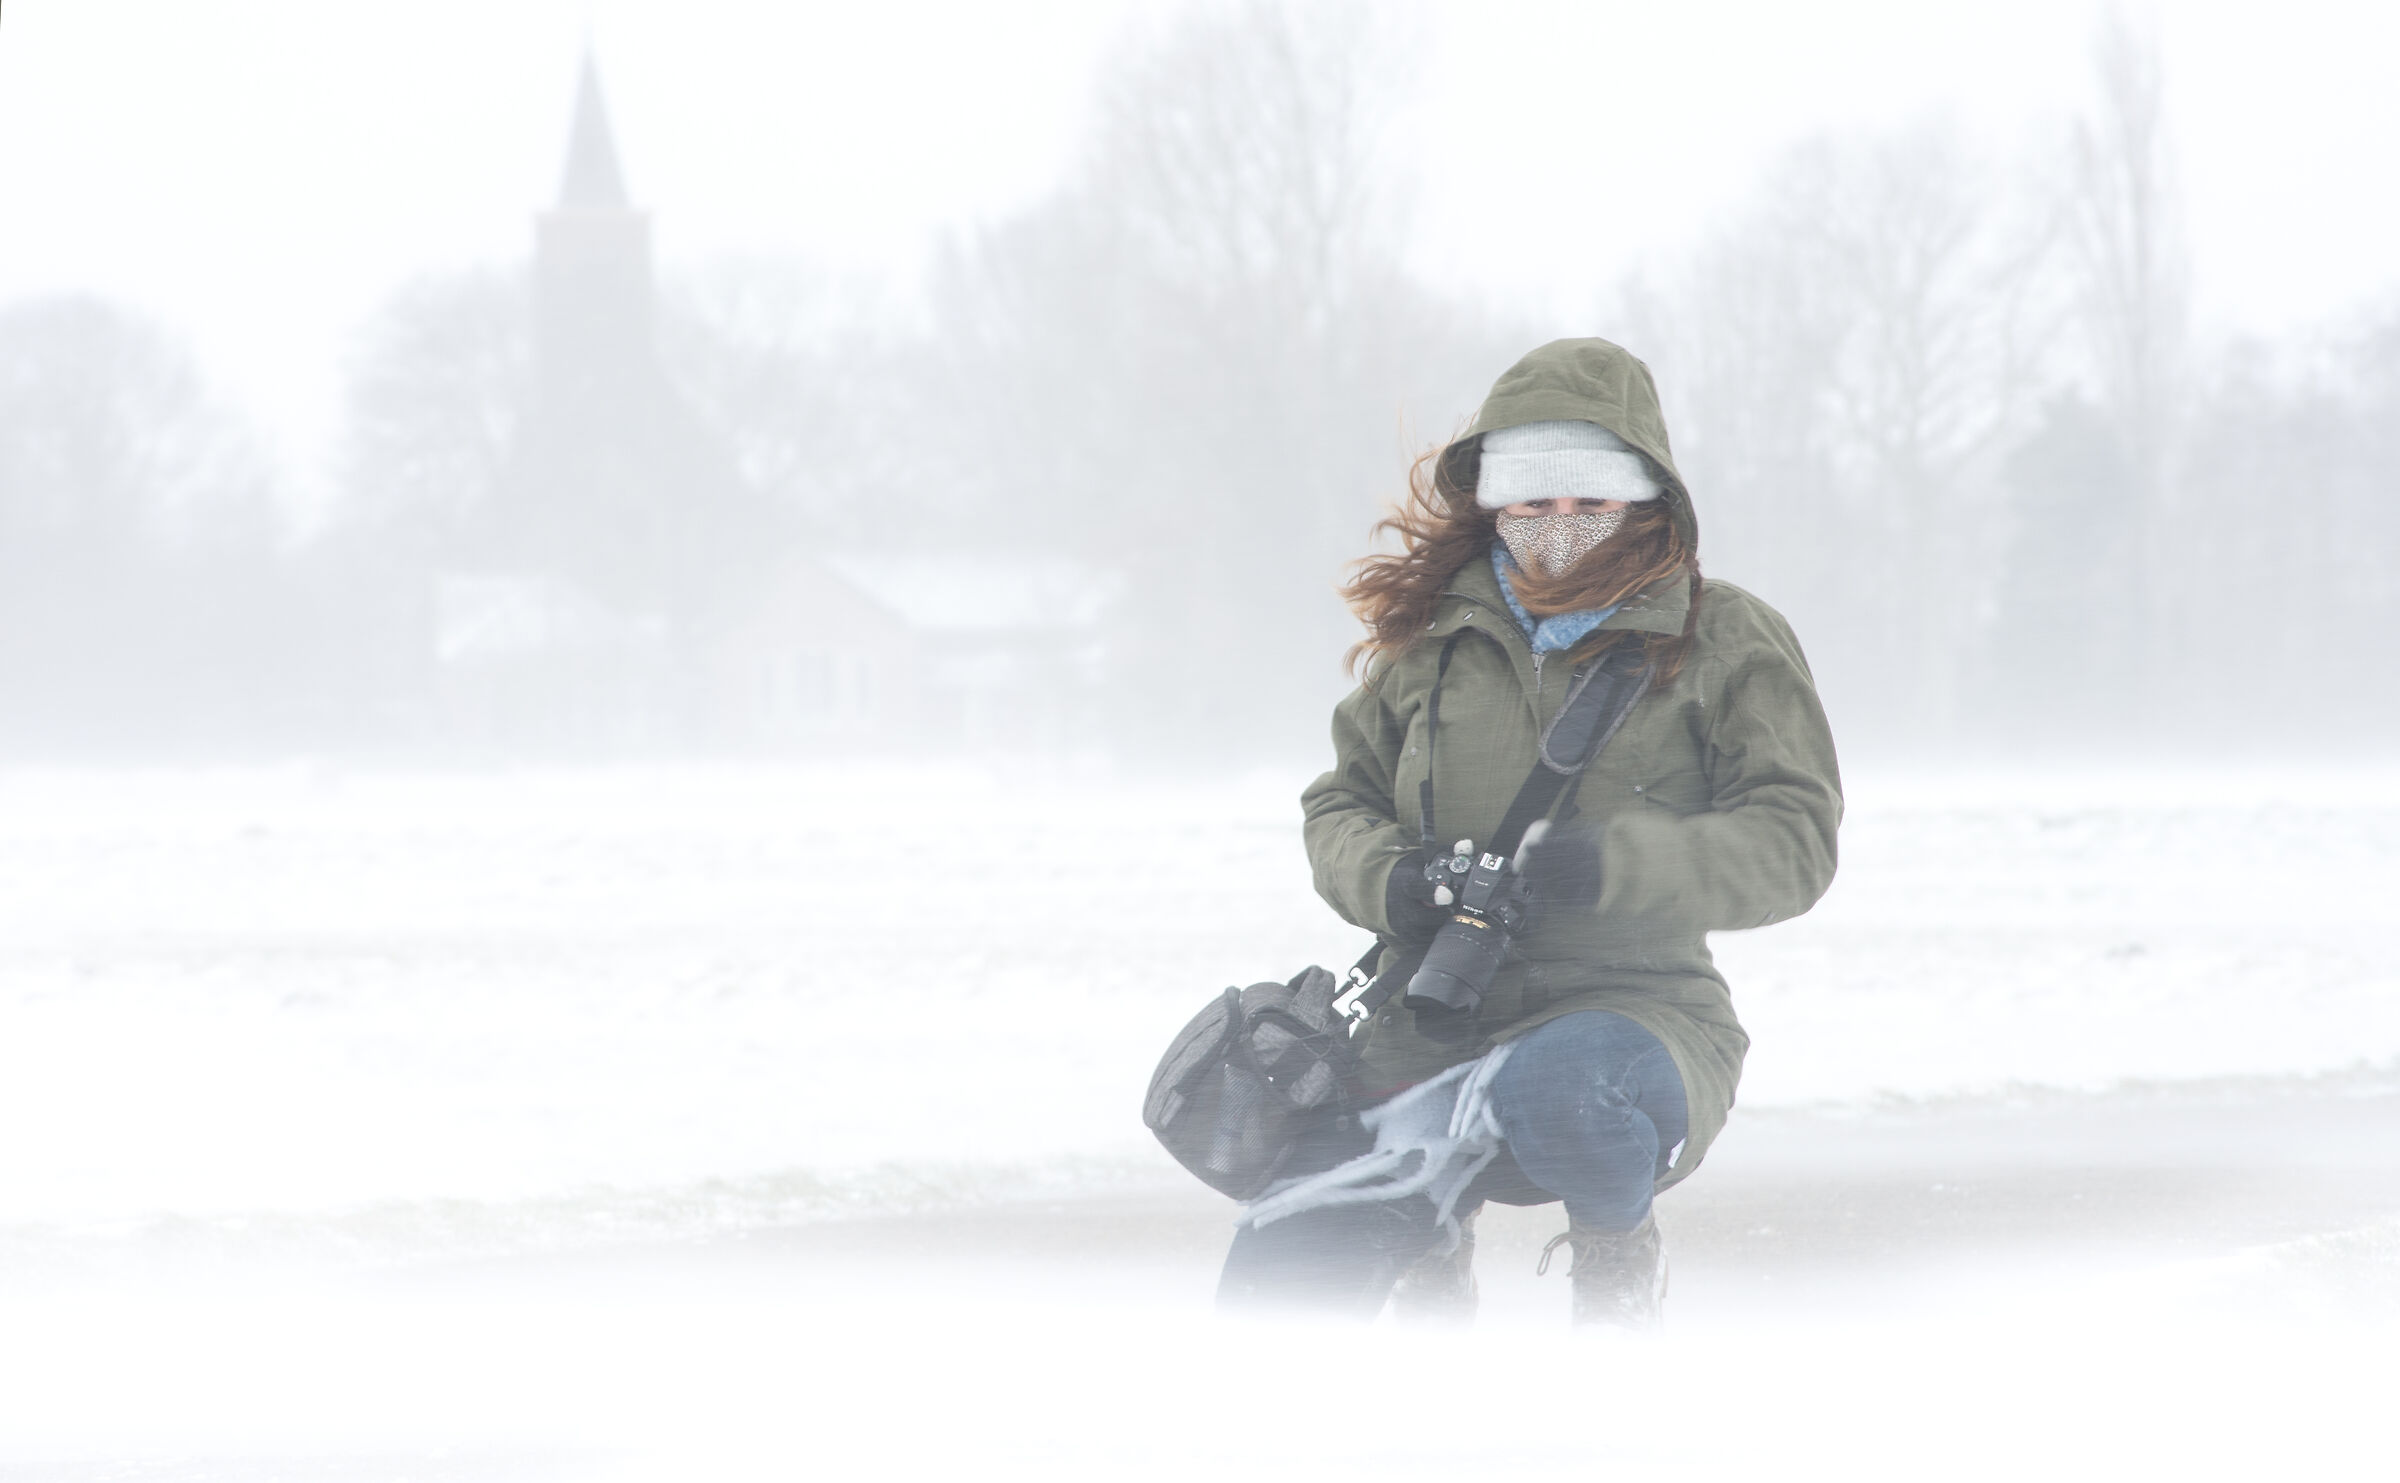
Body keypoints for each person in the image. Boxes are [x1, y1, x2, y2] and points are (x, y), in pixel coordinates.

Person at [1215, 338, 1842, 1328]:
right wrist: (1399, 882)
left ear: (1644, 500)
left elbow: (1797, 841)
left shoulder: (1725, 639)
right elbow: (1337, 809)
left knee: (1557, 1082)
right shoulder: (1430, 647)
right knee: (1274, 1285)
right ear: (1494, 503)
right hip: (1429, 1011)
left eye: (1589, 499)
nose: (1560, 524)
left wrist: (1610, 868)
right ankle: (1428, 1285)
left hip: (1635, 1015)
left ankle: (1617, 1274)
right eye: (1533, 500)